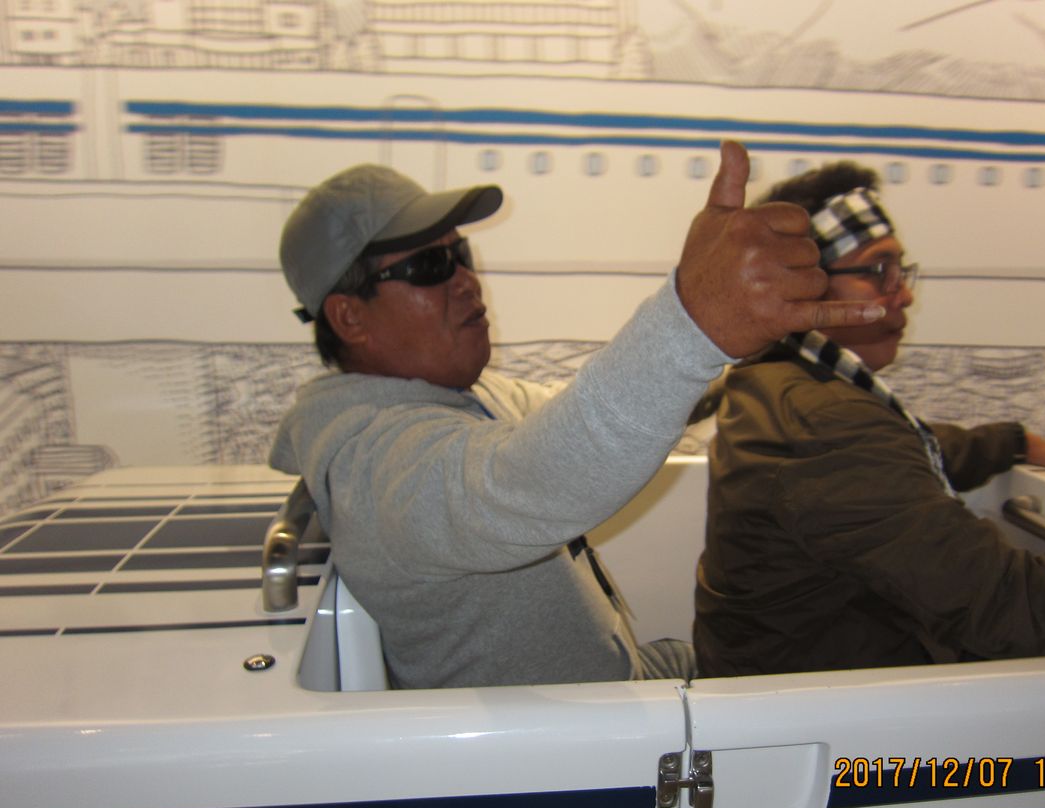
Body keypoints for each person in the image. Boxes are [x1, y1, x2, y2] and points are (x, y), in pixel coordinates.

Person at [268, 142, 885, 689]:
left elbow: (575, 420)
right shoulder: (376, 463)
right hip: (568, 753)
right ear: (350, 317)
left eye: (462, 254)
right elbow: (531, 479)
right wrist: (694, 322)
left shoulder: (451, 398)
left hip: (614, 689)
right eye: (430, 267)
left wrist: (740, 332)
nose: (467, 282)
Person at [693, 161, 1045, 677]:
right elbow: (1001, 605)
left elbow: (893, 458)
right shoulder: (824, 420)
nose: (904, 294)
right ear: (803, 294)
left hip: (782, 677)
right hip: (840, 716)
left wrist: (1009, 442)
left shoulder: (773, 385)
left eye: (900, 271)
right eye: (877, 271)